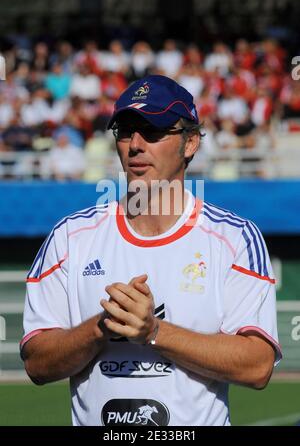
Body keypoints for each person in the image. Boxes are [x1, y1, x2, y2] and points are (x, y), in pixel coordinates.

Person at [21, 75, 281, 426]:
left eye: (154, 130)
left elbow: (257, 365)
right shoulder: (69, 238)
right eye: (126, 130)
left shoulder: (234, 238)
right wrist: (101, 327)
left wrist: (154, 331)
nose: (135, 145)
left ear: (190, 144)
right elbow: (37, 363)